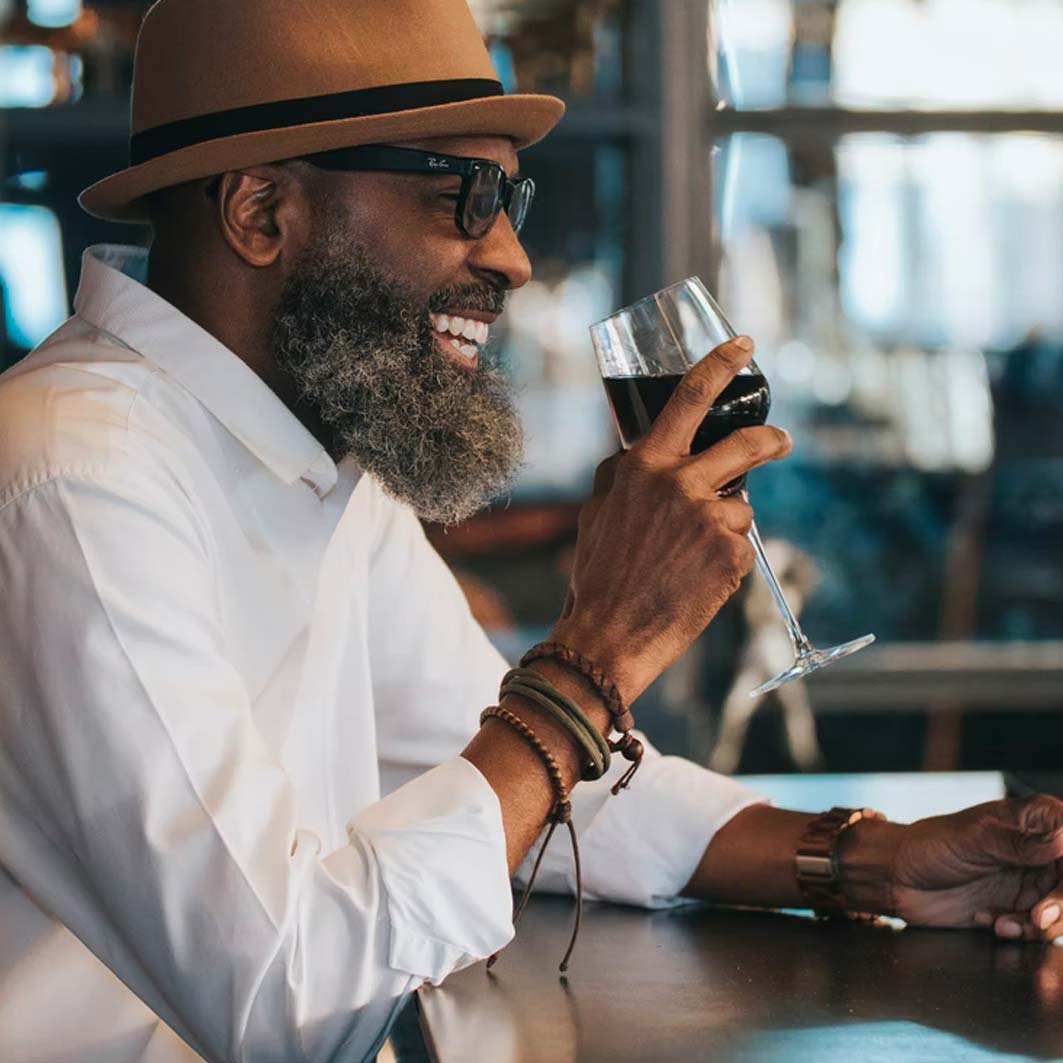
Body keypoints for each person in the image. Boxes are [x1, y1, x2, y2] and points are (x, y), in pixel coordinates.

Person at [0, 2, 1059, 1061]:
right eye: (462, 195)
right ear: (261, 210)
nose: (510, 256)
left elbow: (536, 783)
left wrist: (872, 862)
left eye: (513, 197)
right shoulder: (74, 477)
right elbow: (290, 1000)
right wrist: (593, 657)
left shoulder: (311, 458)